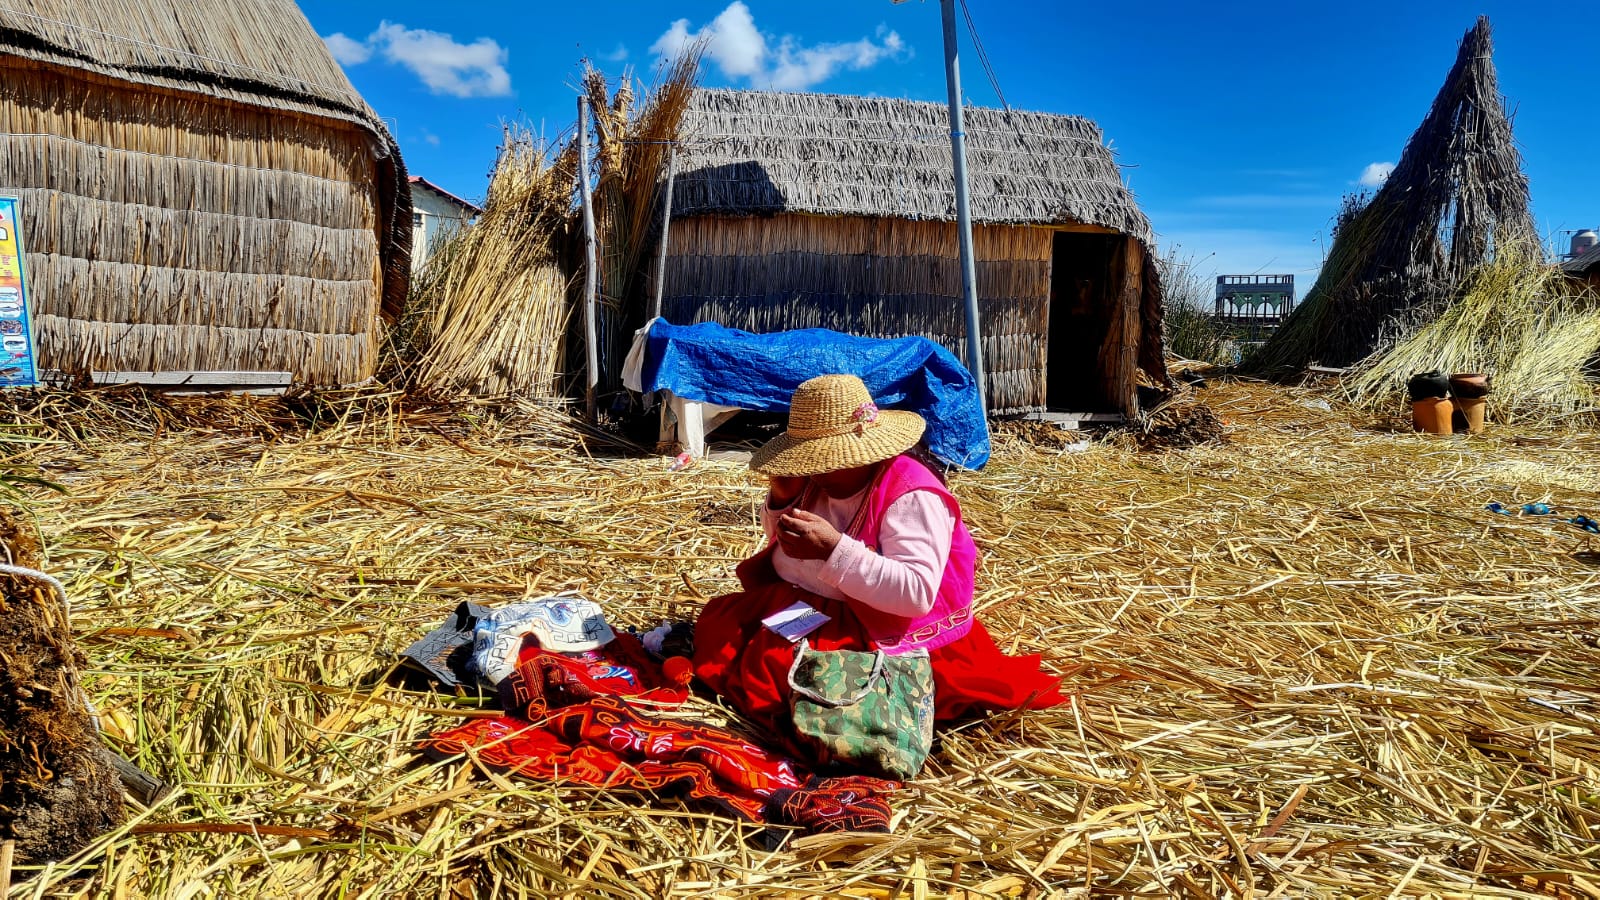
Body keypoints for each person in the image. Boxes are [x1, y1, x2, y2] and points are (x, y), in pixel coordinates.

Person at [693, 374, 1065, 776]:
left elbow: (916, 593)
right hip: (819, 606)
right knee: (731, 631)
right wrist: (782, 500)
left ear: (858, 453)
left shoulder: (912, 495)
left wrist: (834, 549)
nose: (812, 475)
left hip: (882, 625)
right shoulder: (818, 482)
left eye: (820, 463)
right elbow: (790, 552)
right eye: (806, 464)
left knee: (778, 671)